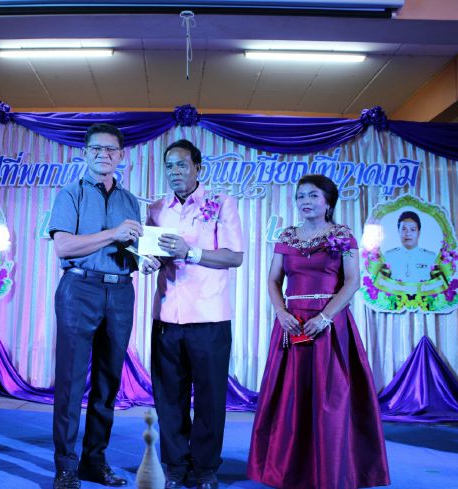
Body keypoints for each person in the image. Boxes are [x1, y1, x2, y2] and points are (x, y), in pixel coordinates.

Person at [247, 174, 390, 489]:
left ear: (328, 202)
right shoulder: (287, 236)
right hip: (292, 323)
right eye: (300, 196)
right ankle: (287, 468)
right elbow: (273, 280)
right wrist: (281, 312)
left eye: (313, 195)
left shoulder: (343, 235)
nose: (305, 201)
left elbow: (352, 281)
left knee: (331, 397)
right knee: (289, 396)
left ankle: (333, 468)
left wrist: (325, 317)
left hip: (329, 325)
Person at [142, 139, 243, 489]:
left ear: (198, 168)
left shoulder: (221, 203)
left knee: (210, 399)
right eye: (169, 166)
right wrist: (147, 262)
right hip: (166, 317)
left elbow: (234, 256)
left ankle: (205, 469)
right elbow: (153, 255)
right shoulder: (156, 208)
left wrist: (191, 252)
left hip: (210, 317)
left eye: (182, 165)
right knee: (169, 398)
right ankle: (174, 467)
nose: (175, 172)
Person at [48, 123, 143, 489]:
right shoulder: (69, 194)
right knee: (71, 383)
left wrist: (144, 259)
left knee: (108, 383)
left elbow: (130, 248)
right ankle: (65, 467)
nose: (104, 155)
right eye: (96, 149)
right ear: (85, 153)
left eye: (110, 150)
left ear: (121, 156)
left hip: (120, 293)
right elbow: (64, 246)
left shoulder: (130, 200)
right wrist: (112, 234)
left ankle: (94, 462)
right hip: (79, 289)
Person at [383, 210, 436, 282]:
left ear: (419, 233)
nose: (408, 233)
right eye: (404, 229)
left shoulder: (430, 257)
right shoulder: (389, 257)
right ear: (398, 231)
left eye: (412, 229)